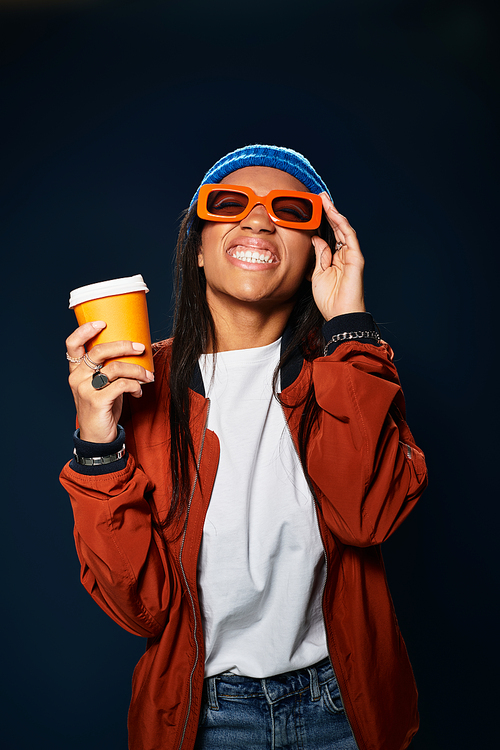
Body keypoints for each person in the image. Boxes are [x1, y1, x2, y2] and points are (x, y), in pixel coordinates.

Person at [60, 144, 427, 750]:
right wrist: (98, 445)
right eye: (230, 204)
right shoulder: (139, 385)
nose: (258, 218)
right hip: (203, 717)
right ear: (198, 248)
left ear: (318, 252)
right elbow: (142, 609)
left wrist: (351, 329)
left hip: (344, 708)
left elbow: (369, 517)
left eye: (288, 210)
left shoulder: (343, 372)